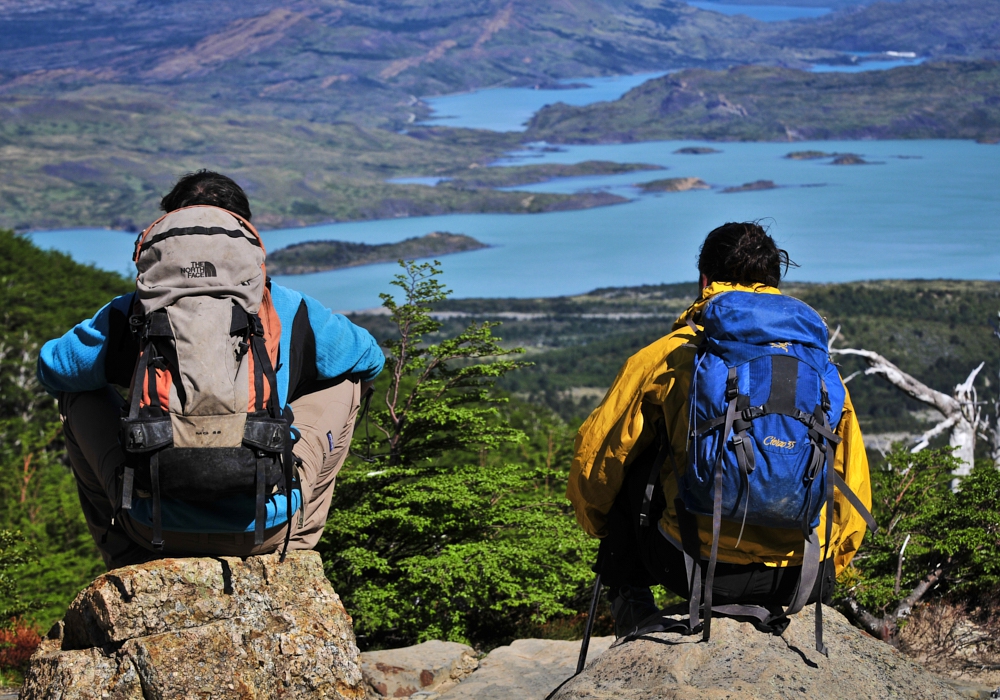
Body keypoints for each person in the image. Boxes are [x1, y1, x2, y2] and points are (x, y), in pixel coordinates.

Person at [37, 170, 385, 570]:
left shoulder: (129, 313)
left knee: (77, 393)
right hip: (264, 524)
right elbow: (371, 357)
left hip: (151, 525)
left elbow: (52, 368)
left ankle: (123, 553)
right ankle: (299, 538)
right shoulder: (288, 307)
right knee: (346, 380)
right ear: (244, 235)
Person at [567, 222, 872, 636]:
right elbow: (849, 487)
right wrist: (829, 564)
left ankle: (634, 612)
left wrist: (603, 532)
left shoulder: (671, 355)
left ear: (706, 280)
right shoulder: (819, 368)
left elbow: (595, 470)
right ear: (774, 284)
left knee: (630, 463)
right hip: (799, 575)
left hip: (688, 563)